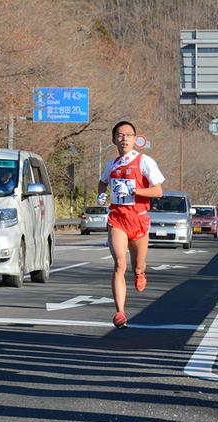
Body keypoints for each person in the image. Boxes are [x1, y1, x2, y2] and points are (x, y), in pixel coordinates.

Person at [97, 121, 164, 328]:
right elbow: (103, 181)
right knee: (119, 264)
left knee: (137, 265)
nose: (124, 138)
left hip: (139, 219)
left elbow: (158, 191)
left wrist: (137, 191)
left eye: (128, 135)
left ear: (135, 139)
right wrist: (101, 194)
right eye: (120, 135)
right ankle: (120, 313)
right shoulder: (112, 164)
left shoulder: (145, 161)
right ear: (113, 140)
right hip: (117, 218)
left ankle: (140, 273)